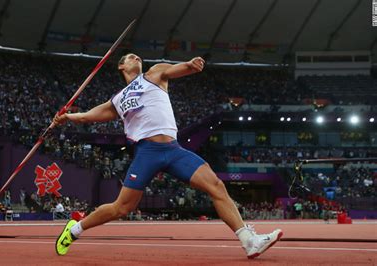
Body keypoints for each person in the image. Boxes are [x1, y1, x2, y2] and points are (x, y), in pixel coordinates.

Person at [53, 54, 282, 259]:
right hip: (146, 153)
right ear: (122, 66)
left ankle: (248, 241)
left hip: (173, 150)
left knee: (216, 185)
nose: (137, 58)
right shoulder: (118, 99)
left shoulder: (154, 74)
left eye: (137, 56)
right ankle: (74, 230)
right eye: (131, 57)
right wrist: (69, 117)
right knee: (121, 208)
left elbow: (176, 69)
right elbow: (91, 115)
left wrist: (191, 66)